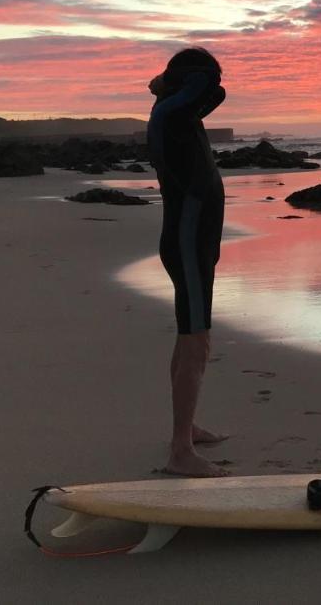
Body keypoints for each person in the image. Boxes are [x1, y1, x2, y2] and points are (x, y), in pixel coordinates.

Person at [147, 47, 230, 477]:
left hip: (195, 244)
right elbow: (204, 92)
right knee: (196, 341)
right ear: (190, 81)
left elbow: (215, 97)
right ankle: (180, 450)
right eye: (206, 81)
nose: (212, 91)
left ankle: (187, 427)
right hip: (186, 243)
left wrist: (194, 82)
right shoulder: (170, 115)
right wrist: (188, 80)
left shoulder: (180, 115)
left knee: (191, 338)